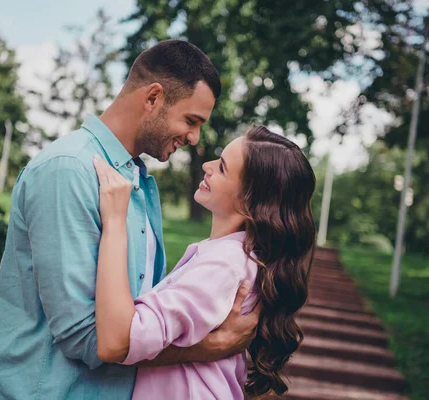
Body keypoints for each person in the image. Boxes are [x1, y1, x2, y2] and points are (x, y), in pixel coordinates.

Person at [0, 40, 259, 399]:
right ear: (153, 97)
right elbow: (87, 336)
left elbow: (137, 316)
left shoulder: (135, 181)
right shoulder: (70, 170)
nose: (194, 138)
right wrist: (208, 349)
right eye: (191, 120)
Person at [93, 126, 317, 399]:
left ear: (250, 202)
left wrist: (115, 221)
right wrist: (212, 345)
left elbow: (123, 339)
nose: (208, 166)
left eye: (222, 168)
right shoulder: (232, 257)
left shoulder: (225, 265)